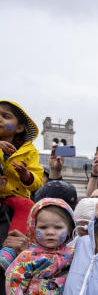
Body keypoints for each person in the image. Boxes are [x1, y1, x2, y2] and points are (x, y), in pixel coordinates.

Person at [0, 101, 43, 237]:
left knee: (27, 204)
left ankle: (10, 247)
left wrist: (25, 175)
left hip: (15, 196)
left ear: (19, 128)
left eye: (6, 116)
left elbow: (37, 182)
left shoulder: (30, 151)